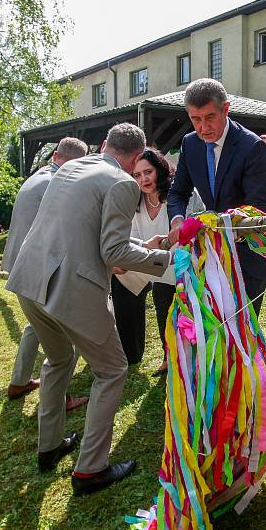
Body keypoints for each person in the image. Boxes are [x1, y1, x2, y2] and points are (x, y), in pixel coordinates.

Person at [6, 123, 171, 495]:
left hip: (29, 280)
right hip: (69, 289)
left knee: (58, 361)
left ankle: (49, 446)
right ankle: (90, 469)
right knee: (112, 369)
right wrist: (165, 258)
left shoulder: (68, 168)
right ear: (134, 159)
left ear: (103, 145)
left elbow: (87, 233)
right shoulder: (123, 183)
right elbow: (113, 253)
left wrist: (139, 247)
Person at [167, 78, 266, 314]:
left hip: (248, 255)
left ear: (226, 109)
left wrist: (212, 228)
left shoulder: (252, 146)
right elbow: (178, 192)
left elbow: (256, 207)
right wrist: (177, 220)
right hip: (212, 257)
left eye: (209, 117)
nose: (202, 128)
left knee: (243, 332)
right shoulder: (190, 144)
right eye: (195, 119)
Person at [2, 137, 90, 409]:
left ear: (55, 154)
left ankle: (19, 380)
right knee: (61, 330)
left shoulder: (37, 176)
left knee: (37, 324)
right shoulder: (58, 183)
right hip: (40, 265)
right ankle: (60, 397)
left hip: (19, 261)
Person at [111, 148, 177, 377]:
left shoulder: (178, 195)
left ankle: (190, 361)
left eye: (147, 172)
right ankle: (168, 358)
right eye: (137, 175)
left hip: (183, 269)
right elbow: (134, 237)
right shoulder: (135, 202)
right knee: (162, 312)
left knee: (186, 316)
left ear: (159, 169)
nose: (144, 179)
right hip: (156, 268)